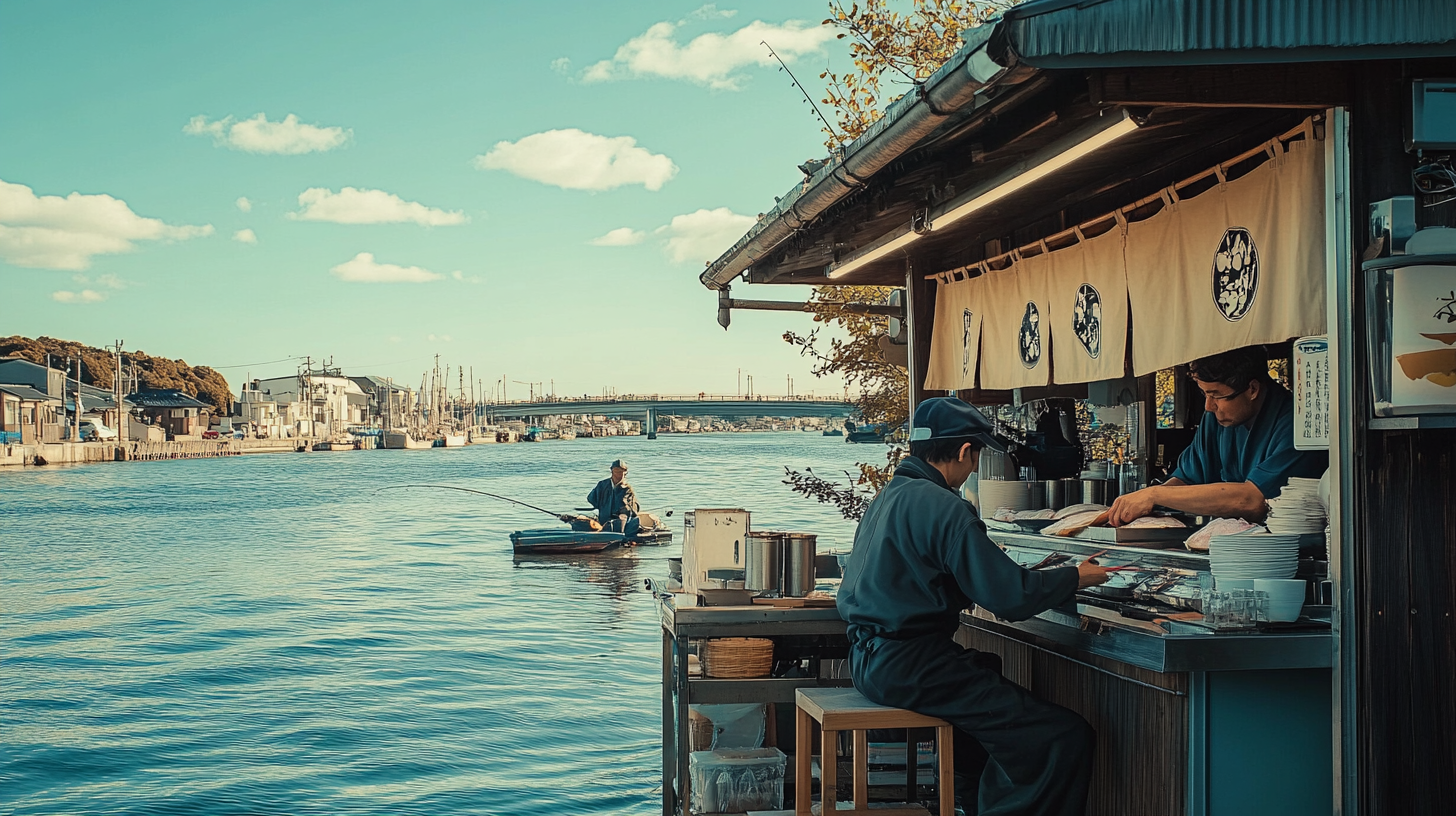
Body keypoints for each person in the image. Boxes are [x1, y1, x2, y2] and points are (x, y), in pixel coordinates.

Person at [838, 397, 1108, 816]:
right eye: (978, 454)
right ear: (966, 452)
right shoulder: (946, 507)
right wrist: (1075, 577)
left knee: (986, 668)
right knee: (1062, 737)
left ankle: (969, 803)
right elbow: (1010, 598)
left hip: (867, 659)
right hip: (912, 664)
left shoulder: (888, 496)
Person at [1109, 347, 1329, 527]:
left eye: (1216, 395)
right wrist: (1138, 504)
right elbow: (1188, 478)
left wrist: (1155, 495)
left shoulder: (1298, 424)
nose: (1208, 406)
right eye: (1204, 394)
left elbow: (1253, 500)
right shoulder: (1216, 418)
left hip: (1289, 555)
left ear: (1252, 389)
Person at [578, 458, 640, 535]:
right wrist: (601, 505)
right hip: (604, 518)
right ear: (612, 471)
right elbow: (591, 498)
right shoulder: (602, 485)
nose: (619, 474)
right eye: (617, 471)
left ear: (625, 473)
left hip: (619, 521)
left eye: (622, 472)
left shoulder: (627, 489)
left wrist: (625, 509)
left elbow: (634, 509)